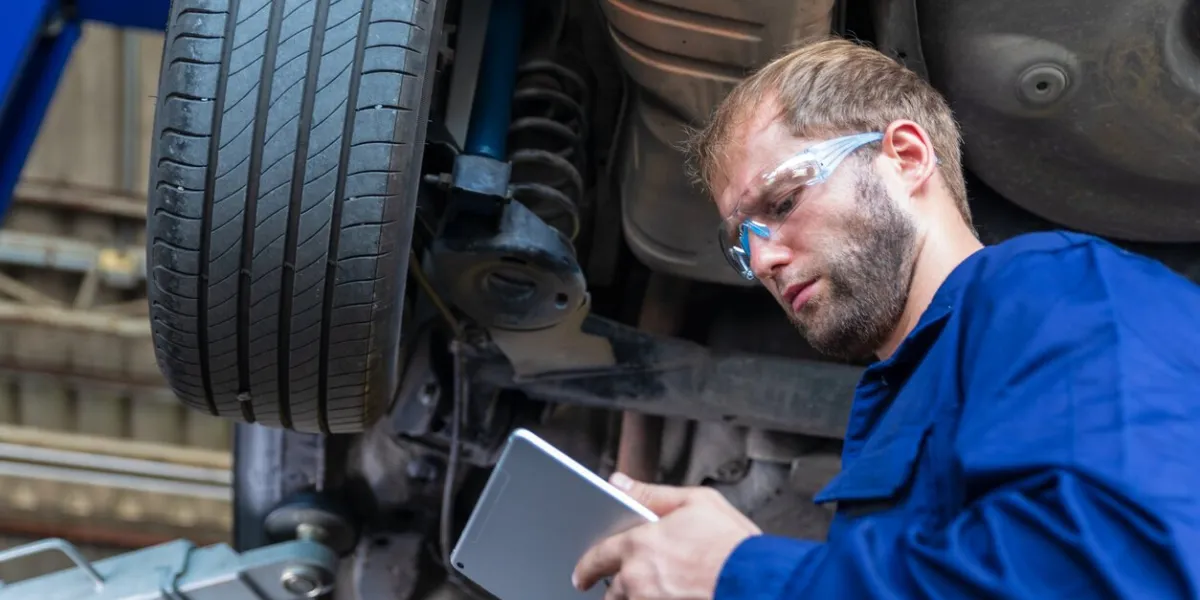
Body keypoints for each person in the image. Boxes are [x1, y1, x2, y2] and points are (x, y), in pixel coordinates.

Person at [570, 36, 1200, 599]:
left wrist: (742, 573)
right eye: (743, 240)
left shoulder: (1058, 288)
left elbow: (1117, 573)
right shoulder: (892, 407)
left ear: (904, 155)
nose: (762, 259)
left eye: (784, 200)